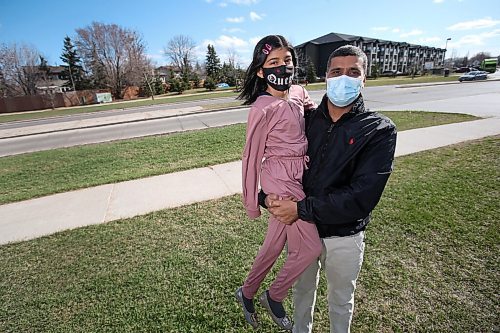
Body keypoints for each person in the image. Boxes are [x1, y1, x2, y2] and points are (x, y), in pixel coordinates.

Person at [260, 45, 397, 333]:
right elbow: (274, 158)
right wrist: (265, 196)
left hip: (344, 236)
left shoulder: (378, 129)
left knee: (340, 300)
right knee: (302, 296)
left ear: (364, 79)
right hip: (302, 230)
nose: (343, 78)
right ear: (326, 77)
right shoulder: (306, 119)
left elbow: (362, 196)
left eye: (353, 72)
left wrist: (300, 208)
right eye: (336, 71)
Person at [234, 35, 322, 331]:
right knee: (310, 248)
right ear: (261, 71)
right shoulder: (261, 108)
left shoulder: (298, 91)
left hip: (301, 174)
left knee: (273, 246)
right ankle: (274, 296)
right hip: (280, 180)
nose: (282, 67)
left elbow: (315, 117)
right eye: (274, 62)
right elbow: (250, 157)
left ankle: (246, 293)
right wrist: (252, 202)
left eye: (287, 61)